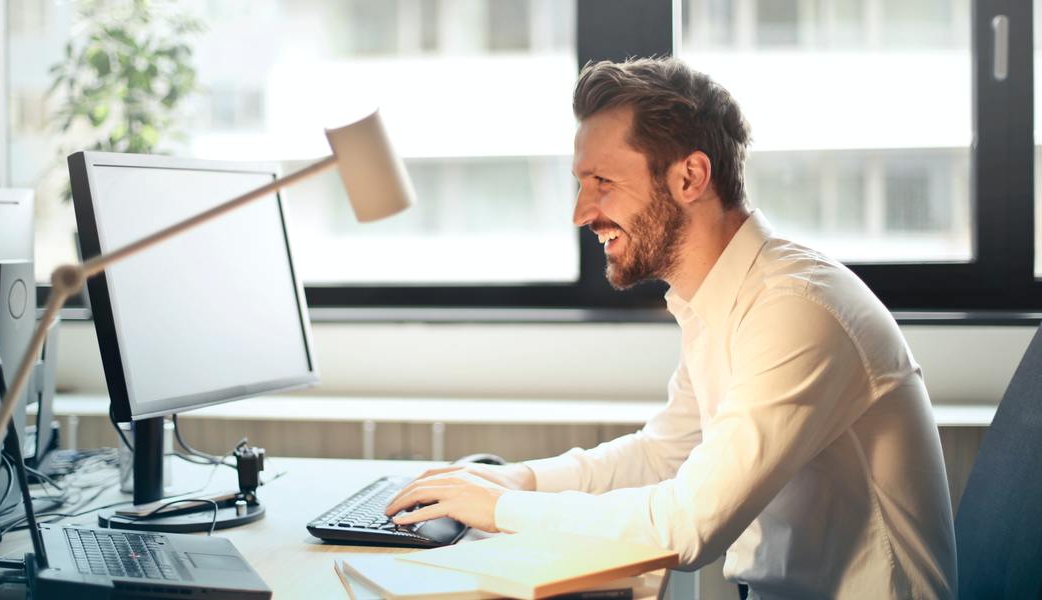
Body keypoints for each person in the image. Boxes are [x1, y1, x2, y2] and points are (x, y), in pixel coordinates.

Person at [385, 57, 957, 599]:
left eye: (603, 181)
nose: (581, 212)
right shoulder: (722, 298)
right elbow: (663, 456)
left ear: (690, 177)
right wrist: (514, 483)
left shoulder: (796, 310)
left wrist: (499, 511)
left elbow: (688, 527)